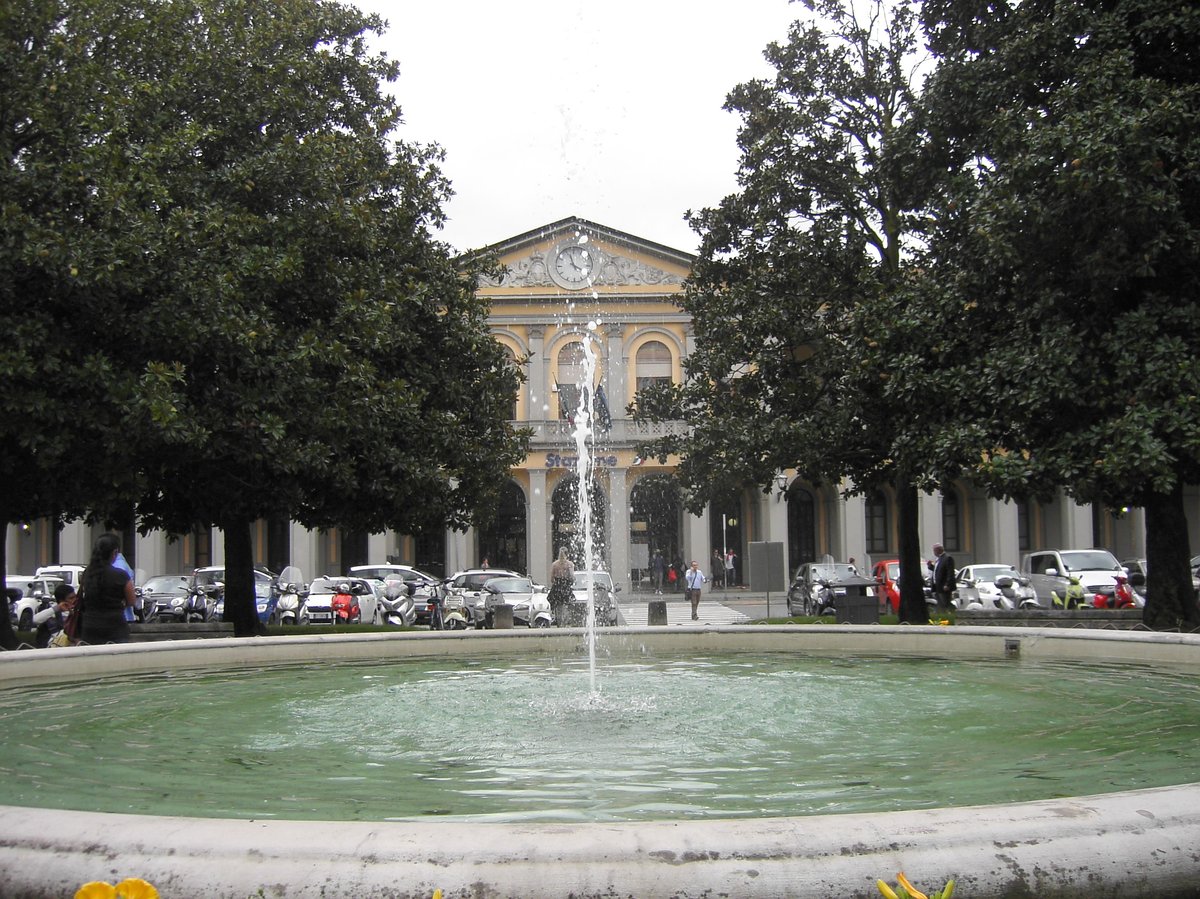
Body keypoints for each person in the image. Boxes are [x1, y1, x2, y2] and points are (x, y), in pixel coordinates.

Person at [78, 532, 137, 644]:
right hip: (115, 626)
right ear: (114, 552)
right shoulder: (121, 575)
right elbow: (132, 600)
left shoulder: (88, 573)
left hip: (89, 626)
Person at [33, 583, 76, 648]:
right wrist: (57, 608)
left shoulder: (77, 610)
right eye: (71, 598)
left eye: (75, 597)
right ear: (62, 600)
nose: (74, 600)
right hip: (54, 646)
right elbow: (35, 620)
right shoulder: (52, 611)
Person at [547, 547, 574, 625]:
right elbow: (572, 576)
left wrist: (556, 583)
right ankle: (564, 621)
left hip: (557, 586)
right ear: (567, 554)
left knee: (557, 604)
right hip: (565, 586)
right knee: (566, 604)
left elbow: (552, 578)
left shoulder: (555, 564)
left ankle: (557, 619)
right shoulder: (569, 564)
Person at [931, 543, 955, 611]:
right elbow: (938, 570)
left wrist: (947, 584)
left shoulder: (947, 558)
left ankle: (950, 614)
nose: (934, 553)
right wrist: (931, 566)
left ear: (938, 550)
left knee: (945, 603)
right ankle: (942, 616)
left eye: (934, 551)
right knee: (940, 604)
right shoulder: (939, 559)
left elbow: (950, 573)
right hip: (937, 586)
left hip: (943, 586)